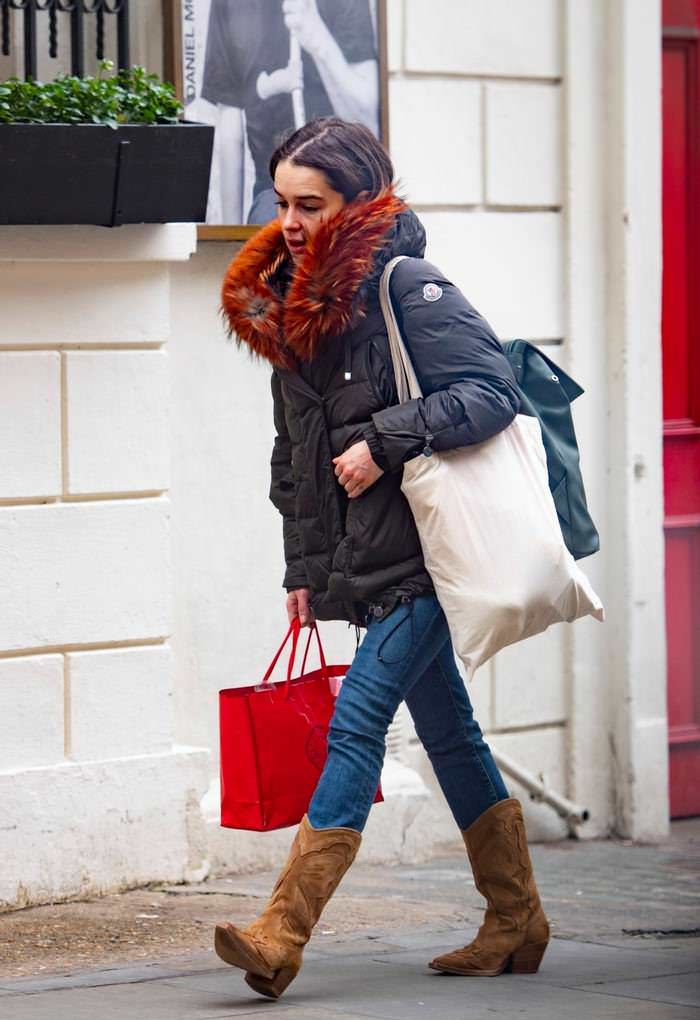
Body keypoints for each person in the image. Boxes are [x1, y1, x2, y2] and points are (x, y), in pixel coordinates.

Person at [216, 117, 550, 999]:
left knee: (356, 719)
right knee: (447, 729)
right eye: (281, 201)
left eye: (309, 204)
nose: (289, 220)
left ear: (359, 202)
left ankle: (281, 931)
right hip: (369, 557)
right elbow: (293, 454)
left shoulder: (408, 284)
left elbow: (492, 393)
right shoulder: (293, 306)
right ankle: (516, 919)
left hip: (430, 556)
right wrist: (301, 570)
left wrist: (387, 441)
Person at [201, 0, 378, 223]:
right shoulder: (229, 4)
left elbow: (367, 120)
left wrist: (318, 39)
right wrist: (230, 237)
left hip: (344, 185)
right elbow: (230, 126)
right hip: (274, 190)